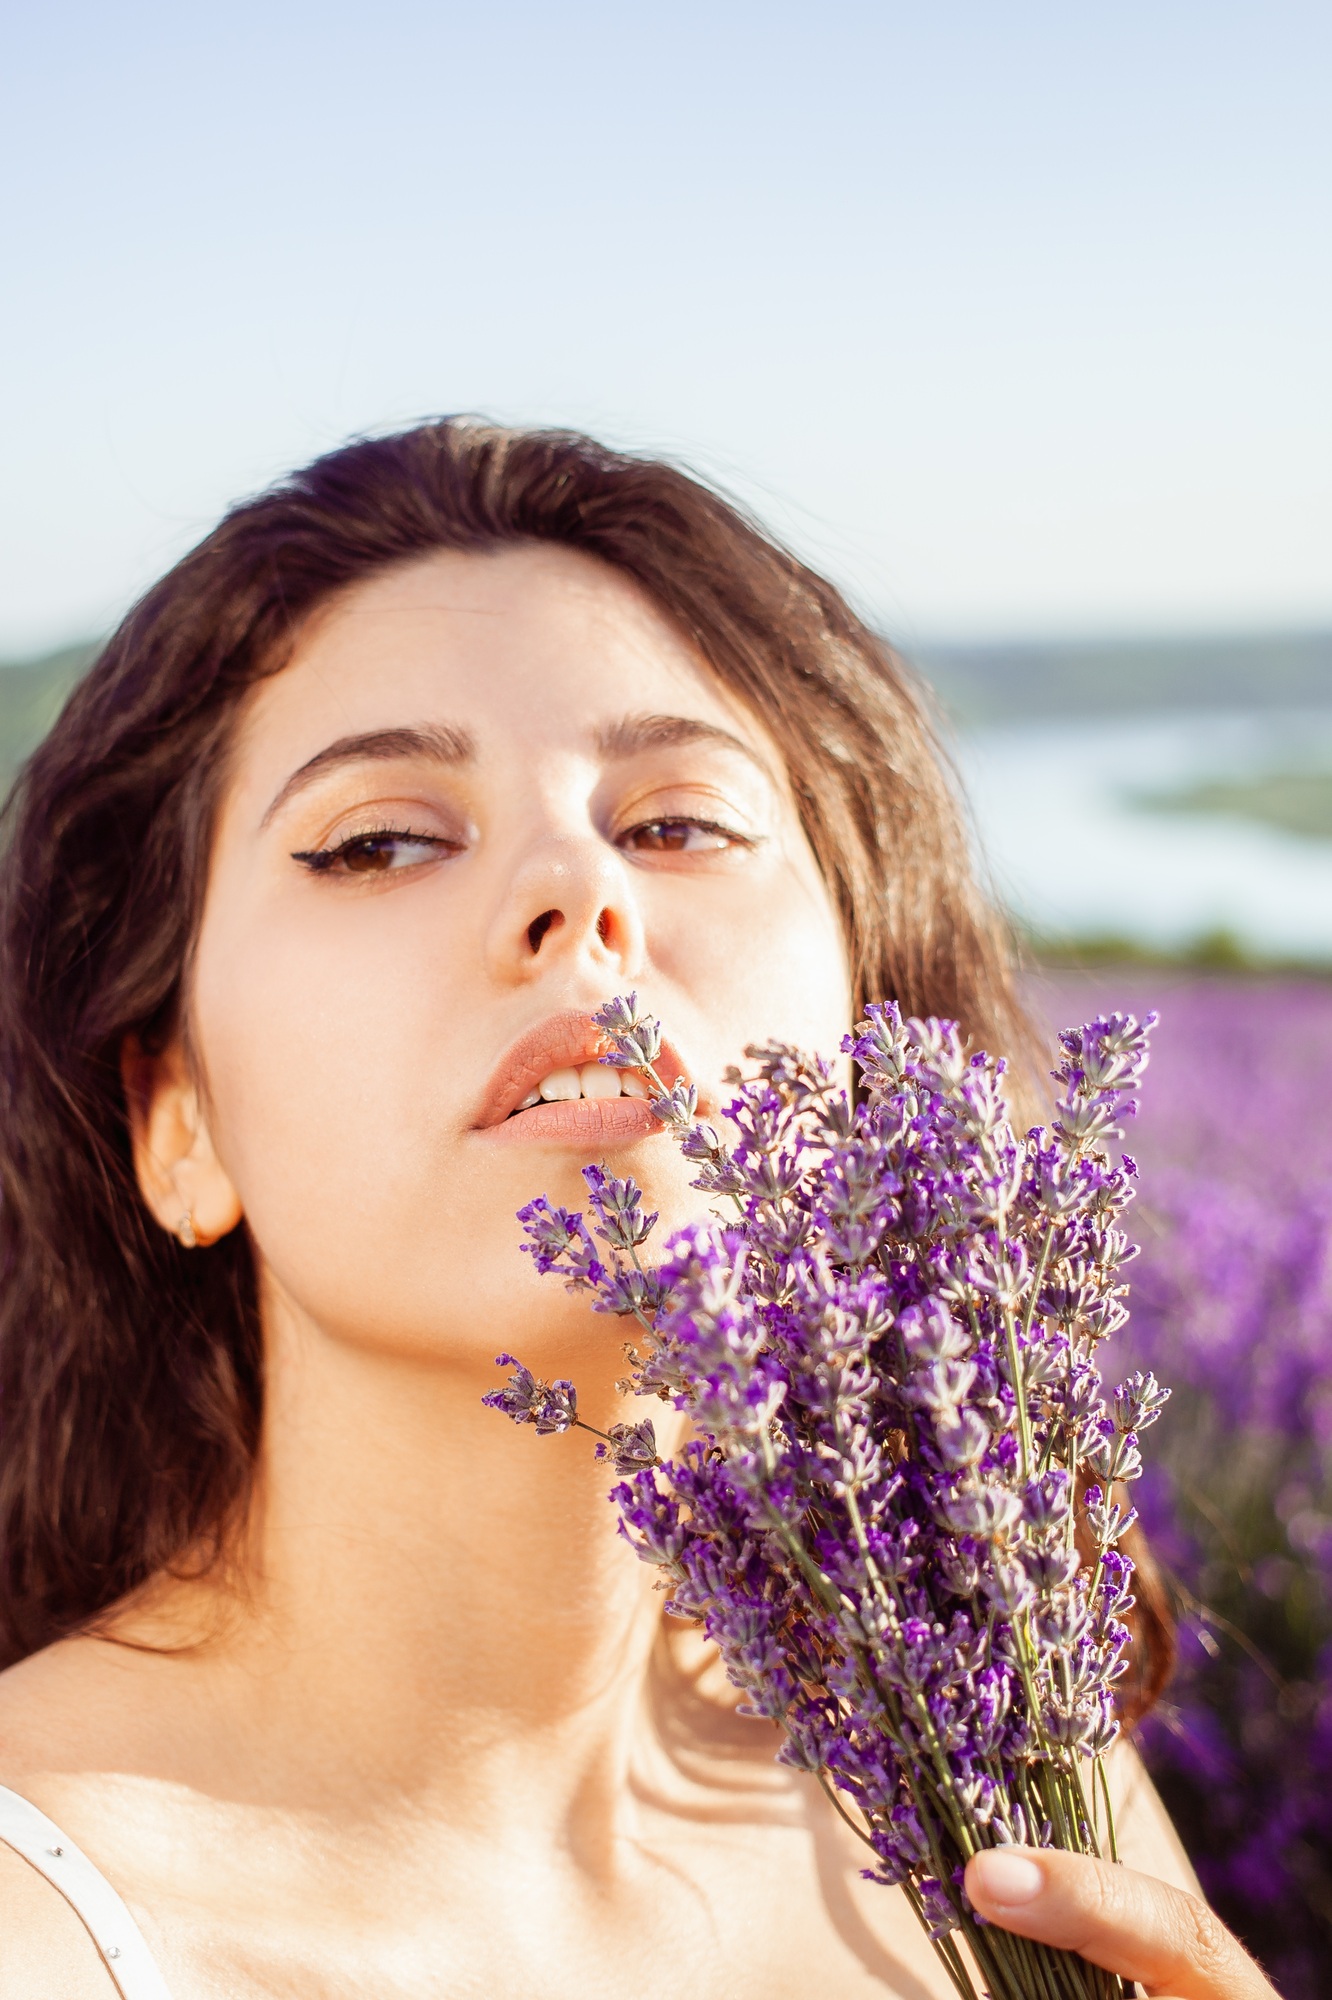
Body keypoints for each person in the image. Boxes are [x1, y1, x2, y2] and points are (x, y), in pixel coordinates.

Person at [0, 422, 1275, 1998]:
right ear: (173, 1120)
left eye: (677, 823)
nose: (573, 885)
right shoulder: (46, 1920)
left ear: (880, 1052)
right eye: (380, 840)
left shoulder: (1003, 1766)